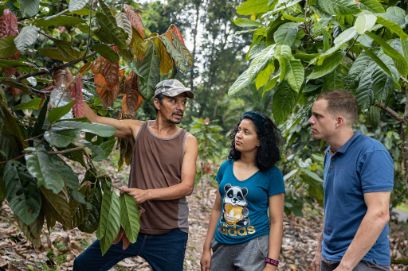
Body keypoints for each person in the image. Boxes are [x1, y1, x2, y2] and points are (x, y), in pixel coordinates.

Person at [73, 79, 198, 271]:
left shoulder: (188, 141)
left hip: (169, 232)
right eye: (173, 101)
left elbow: (186, 186)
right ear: (157, 102)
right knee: (83, 266)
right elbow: (95, 121)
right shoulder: (138, 129)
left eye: (183, 102)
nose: (180, 107)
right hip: (131, 226)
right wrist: (72, 88)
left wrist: (146, 194)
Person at [308, 91, 394, 271]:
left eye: (318, 116)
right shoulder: (330, 153)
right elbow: (333, 206)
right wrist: (319, 250)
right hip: (331, 258)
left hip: (364, 261)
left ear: (338, 121)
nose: (310, 120)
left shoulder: (371, 153)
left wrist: (345, 266)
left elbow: (379, 214)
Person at [200, 111, 285, 271]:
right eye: (239, 130)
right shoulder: (226, 167)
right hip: (222, 243)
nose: (239, 135)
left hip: (253, 246)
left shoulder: (272, 175)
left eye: (246, 132)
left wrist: (271, 263)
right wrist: (206, 248)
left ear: (260, 140)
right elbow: (217, 209)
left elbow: (276, 221)